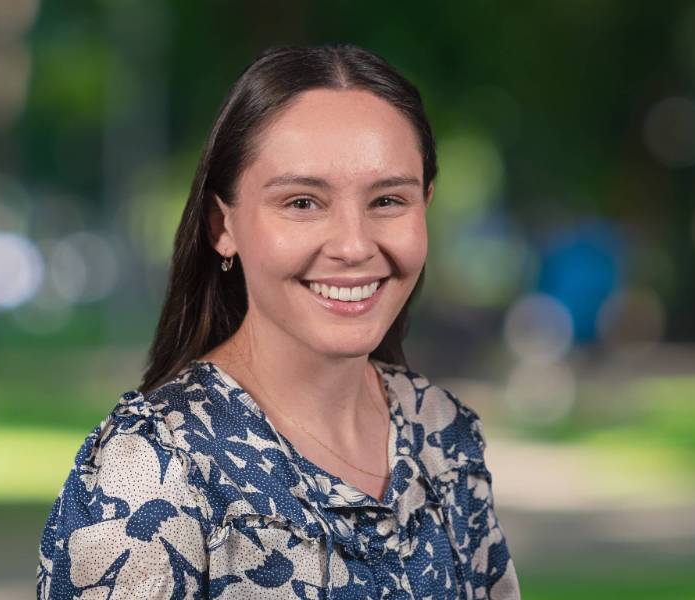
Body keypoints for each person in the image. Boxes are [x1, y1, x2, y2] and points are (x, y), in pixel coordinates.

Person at [37, 43, 521, 599]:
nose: (354, 245)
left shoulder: (442, 433)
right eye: (302, 203)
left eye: (388, 201)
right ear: (223, 225)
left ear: (425, 206)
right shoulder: (151, 470)